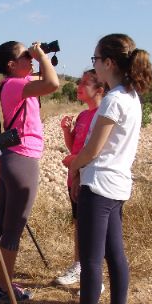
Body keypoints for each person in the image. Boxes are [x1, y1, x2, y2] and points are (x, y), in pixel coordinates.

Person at [54, 33, 152, 304]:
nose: (93, 66)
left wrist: (73, 165)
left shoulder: (113, 100)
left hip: (98, 185)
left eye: (95, 60)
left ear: (109, 62)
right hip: (118, 184)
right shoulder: (131, 96)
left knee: (92, 258)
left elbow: (93, 149)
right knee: (115, 254)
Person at [0, 41, 59, 304]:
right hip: (23, 158)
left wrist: (42, 59)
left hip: (13, 158)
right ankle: (4, 288)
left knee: (1, 225)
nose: (31, 57)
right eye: (25, 55)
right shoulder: (16, 85)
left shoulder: (11, 83)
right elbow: (52, 84)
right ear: (12, 65)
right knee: (13, 229)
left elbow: (44, 77)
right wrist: (41, 58)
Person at [53, 70, 105, 287]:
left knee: (91, 228)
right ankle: (79, 266)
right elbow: (74, 146)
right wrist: (67, 131)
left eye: (85, 83)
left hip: (89, 179)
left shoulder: (102, 117)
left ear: (100, 90)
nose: (79, 86)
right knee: (79, 224)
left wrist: (74, 161)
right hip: (74, 177)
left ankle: (94, 275)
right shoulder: (83, 116)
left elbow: (96, 151)